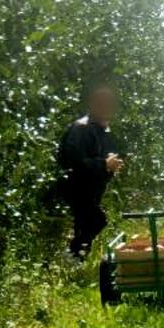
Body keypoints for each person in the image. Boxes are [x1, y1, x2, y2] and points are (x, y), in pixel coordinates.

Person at [58, 86, 124, 260]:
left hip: (91, 191)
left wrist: (110, 166)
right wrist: (104, 164)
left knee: (90, 224)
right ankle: (71, 260)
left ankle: (74, 261)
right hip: (77, 189)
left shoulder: (101, 130)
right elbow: (75, 163)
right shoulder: (82, 128)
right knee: (95, 221)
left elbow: (100, 160)